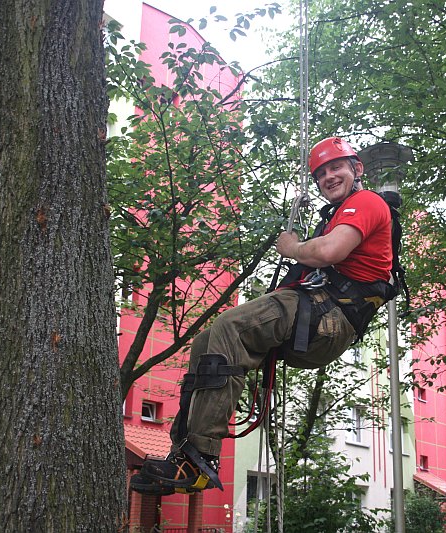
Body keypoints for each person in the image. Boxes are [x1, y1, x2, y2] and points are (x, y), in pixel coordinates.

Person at [130, 136, 396, 495]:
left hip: (331, 316)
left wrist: (292, 248)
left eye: (336, 168)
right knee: (207, 342)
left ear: (357, 169)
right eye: (321, 174)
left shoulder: (366, 201)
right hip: (319, 312)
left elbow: (330, 251)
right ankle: (184, 453)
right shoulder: (338, 214)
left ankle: (201, 455)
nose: (328, 177)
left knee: (230, 325)